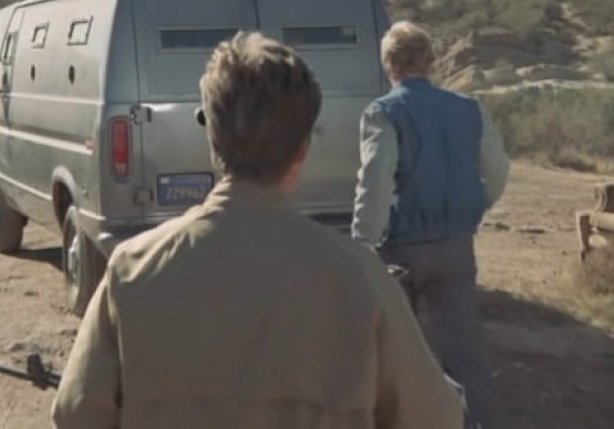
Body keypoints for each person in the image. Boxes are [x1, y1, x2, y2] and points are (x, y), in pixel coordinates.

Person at [52, 32, 464, 429]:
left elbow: (75, 413)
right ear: (302, 148)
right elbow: (434, 416)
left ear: (213, 140)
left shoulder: (132, 269)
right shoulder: (359, 275)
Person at [352, 21, 510, 429]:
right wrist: (472, 207)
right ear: (430, 61)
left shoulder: (383, 113)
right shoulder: (468, 108)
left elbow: (375, 182)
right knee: (464, 352)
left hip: (401, 248)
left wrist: (362, 243)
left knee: (395, 351)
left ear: (389, 65)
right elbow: (497, 170)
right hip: (456, 245)